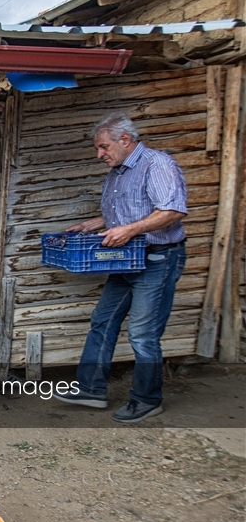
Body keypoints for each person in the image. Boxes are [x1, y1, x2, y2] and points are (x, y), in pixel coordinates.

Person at [53, 113, 187, 424]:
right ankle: (91, 389)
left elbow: (172, 210)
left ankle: (147, 399)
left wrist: (130, 230)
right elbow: (130, 209)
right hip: (127, 259)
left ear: (124, 140)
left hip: (158, 258)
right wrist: (95, 223)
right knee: (103, 320)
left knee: (142, 334)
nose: (99, 154)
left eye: (103, 147)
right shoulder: (118, 171)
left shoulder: (157, 165)